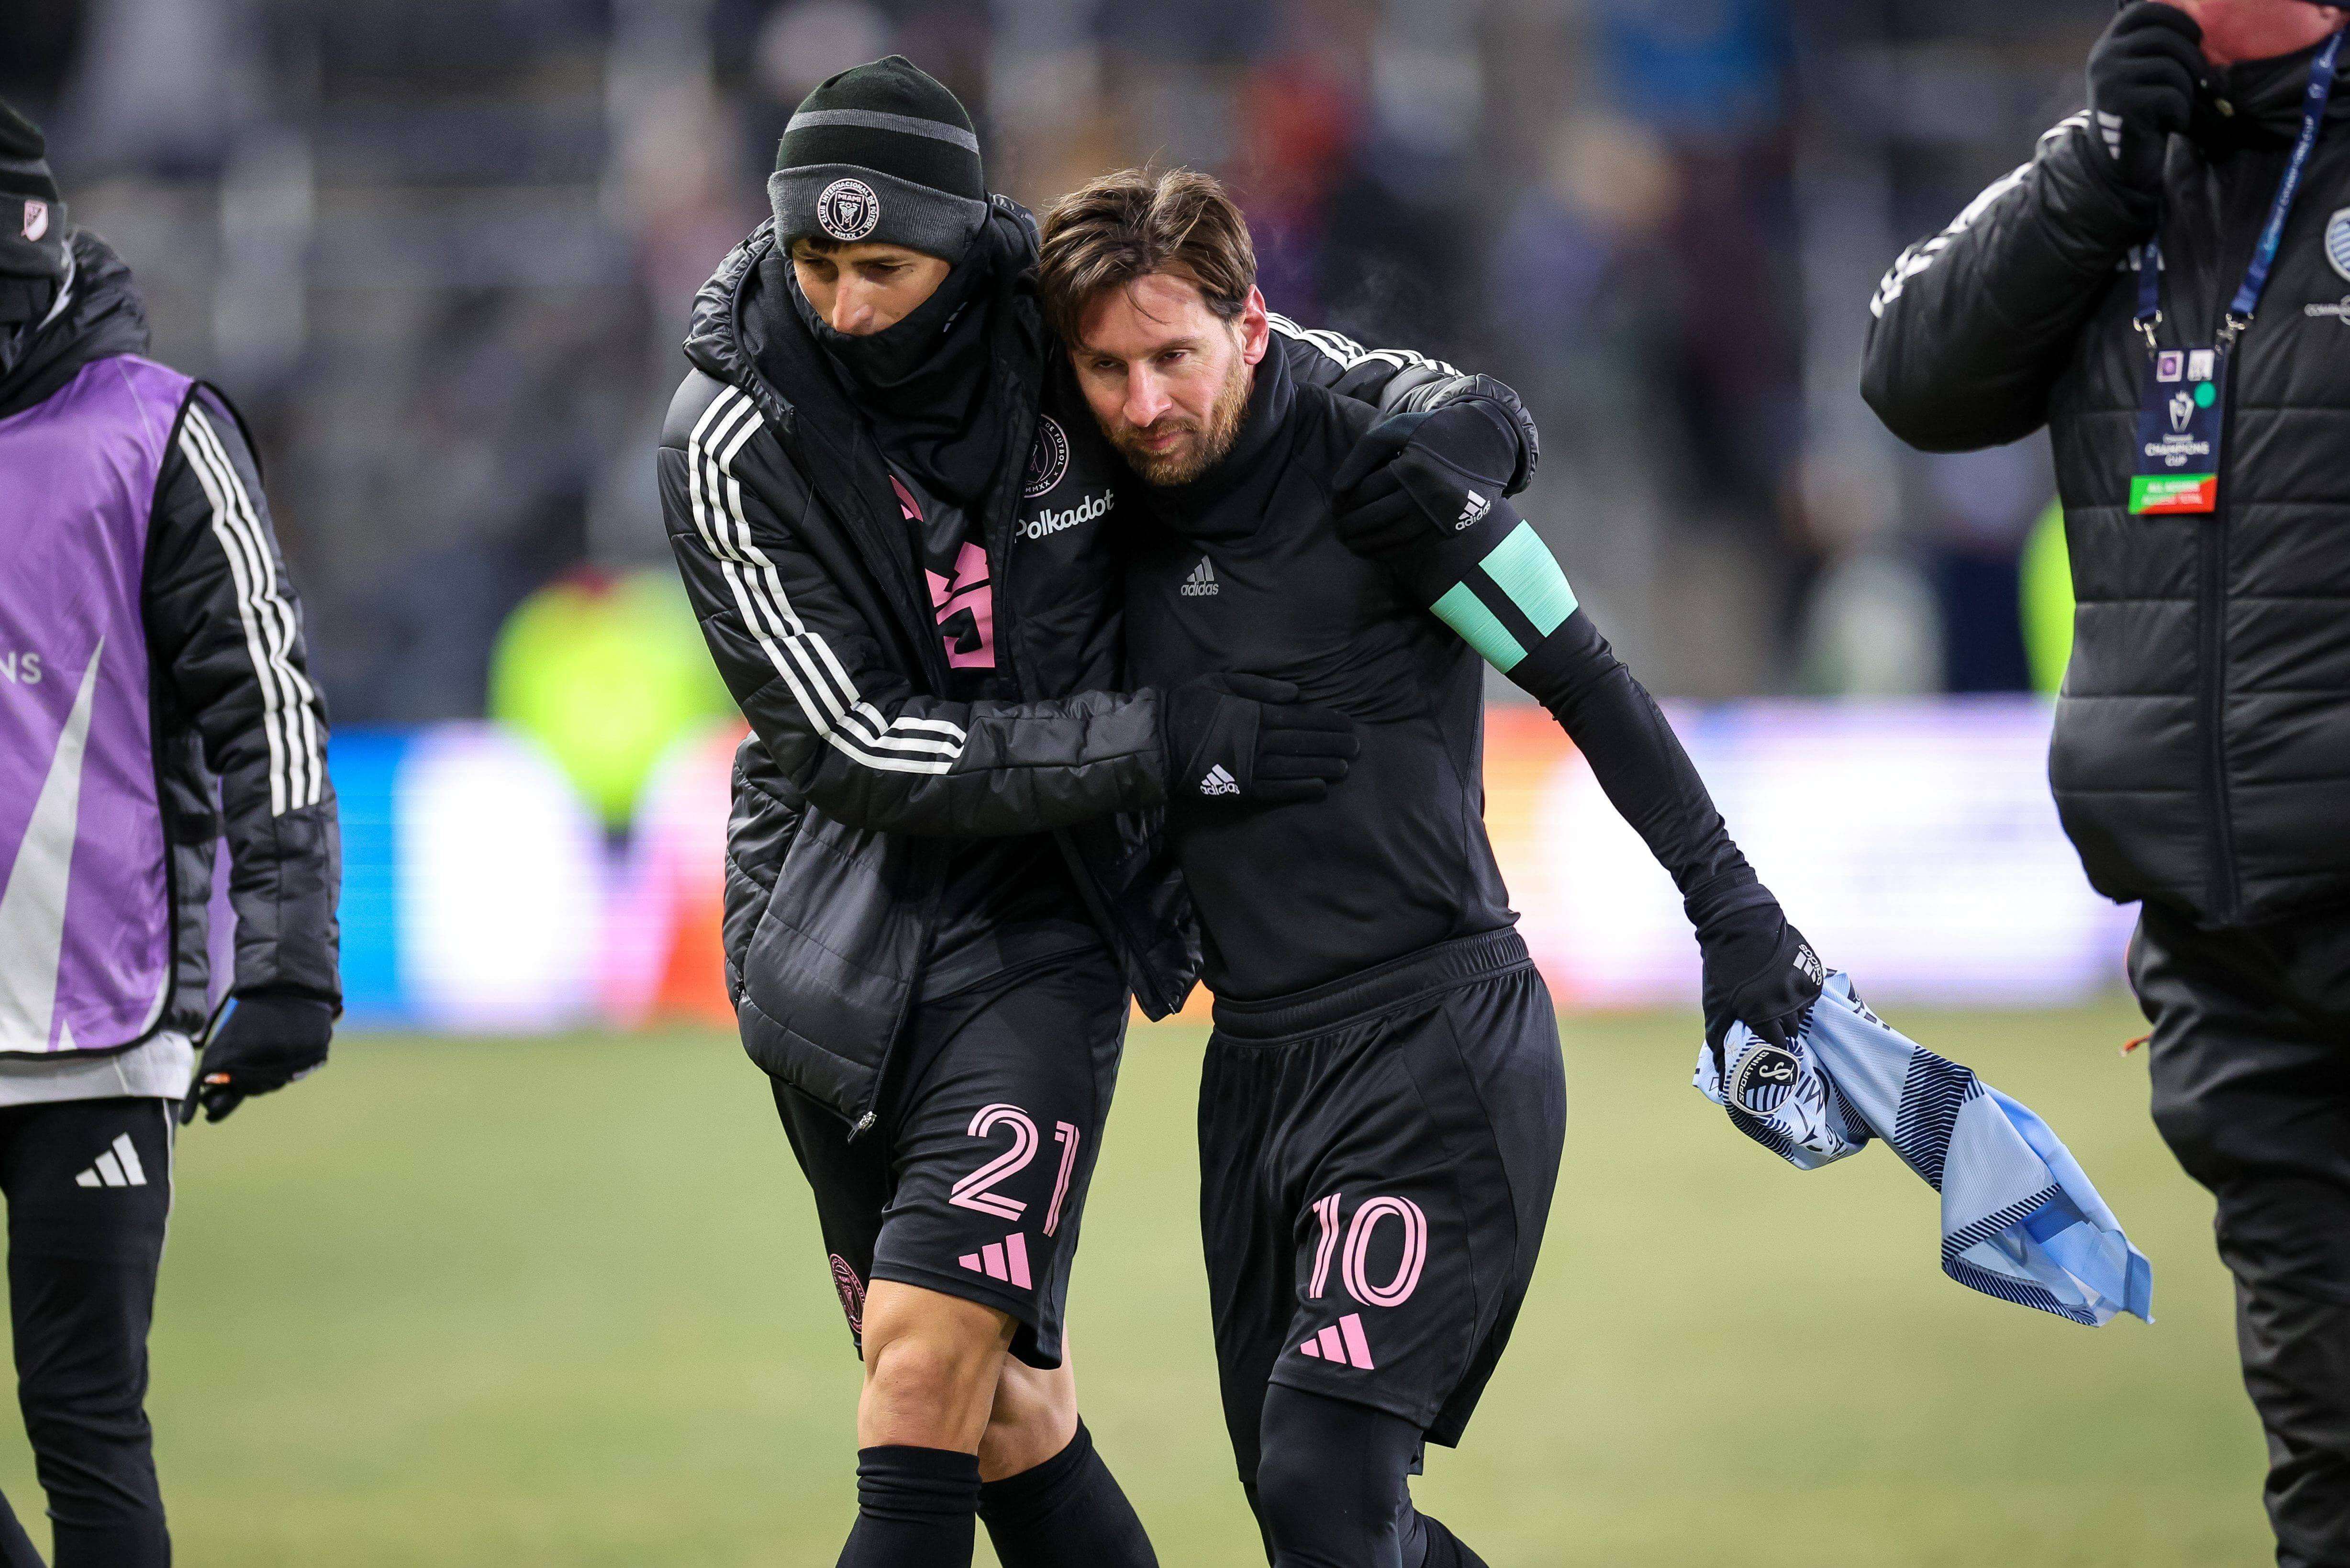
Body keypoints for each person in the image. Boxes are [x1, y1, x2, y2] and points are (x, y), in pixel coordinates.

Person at [653, 57, 1540, 1568]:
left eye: (885, 267)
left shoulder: (1051, 328)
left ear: (958, 239)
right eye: (818, 264)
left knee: (925, 1370)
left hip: (1046, 925)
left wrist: (1477, 432)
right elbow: (860, 745)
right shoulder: (727, 435)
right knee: (1003, 1410)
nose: (848, 303)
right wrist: (1161, 739)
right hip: (840, 941)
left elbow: (1303, 373)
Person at [1034, 166, 1821, 1568]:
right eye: (1106, 368)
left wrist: (1736, 915)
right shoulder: (1089, 503)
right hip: (1255, 1074)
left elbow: (1588, 679)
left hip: (1436, 1044)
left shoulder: (1381, 475)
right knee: (1322, 1525)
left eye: (1174, 357)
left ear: (1252, 328)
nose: (1144, 402)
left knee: (1324, 1482)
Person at [1862, 4, 2350, 1561]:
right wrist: (2094, 164)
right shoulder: (2118, 170)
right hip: (2227, 941)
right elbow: (1915, 377)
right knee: (2330, 1452)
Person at [0, 101, 340, 1567]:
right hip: (86, 1003)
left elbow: (266, 708)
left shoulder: (156, 428)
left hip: (93, 1010)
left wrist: (289, 968)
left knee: (84, 1421)